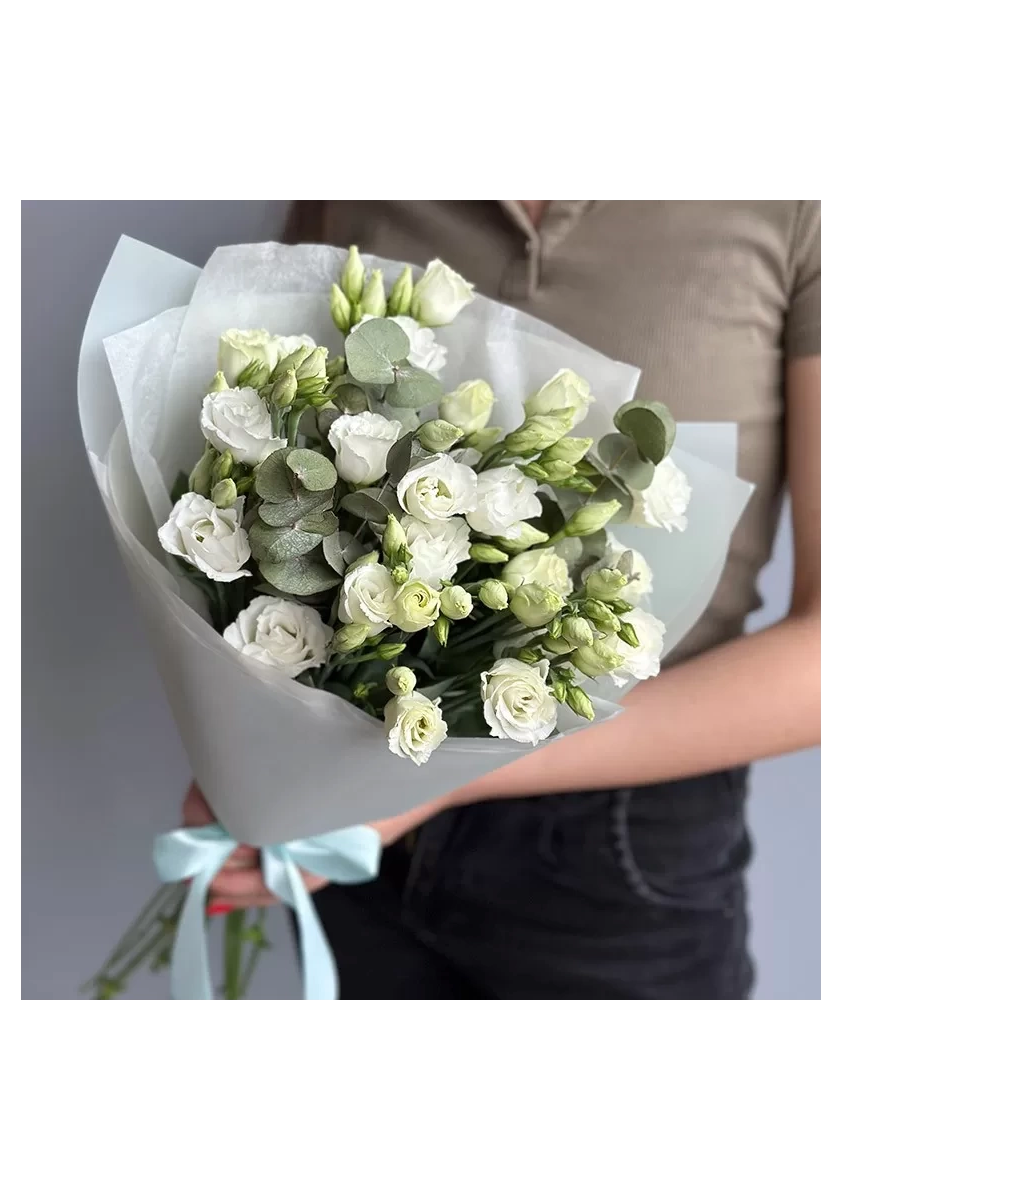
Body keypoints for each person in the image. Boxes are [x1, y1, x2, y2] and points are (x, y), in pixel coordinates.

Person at [185, 200, 821, 999]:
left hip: (618, 847)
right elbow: (271, 478)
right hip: (352, 799)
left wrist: (436, 779)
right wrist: (248, 741)